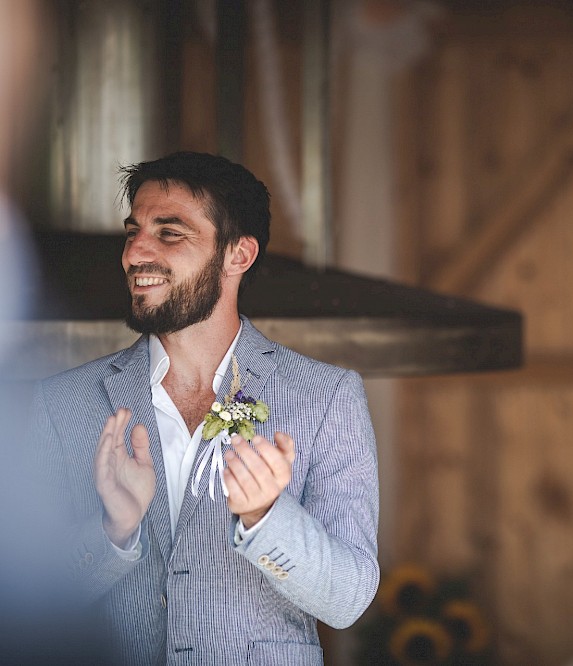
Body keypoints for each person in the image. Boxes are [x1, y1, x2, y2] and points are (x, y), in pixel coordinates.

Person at [32, 152, 380, 664]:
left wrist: (267, 517)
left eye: (169, 233)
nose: (134, 254)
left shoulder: (327, 398)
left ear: (238, 255)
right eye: (133, 232)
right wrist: (113, 534)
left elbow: (347, 600)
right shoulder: (61, 404)